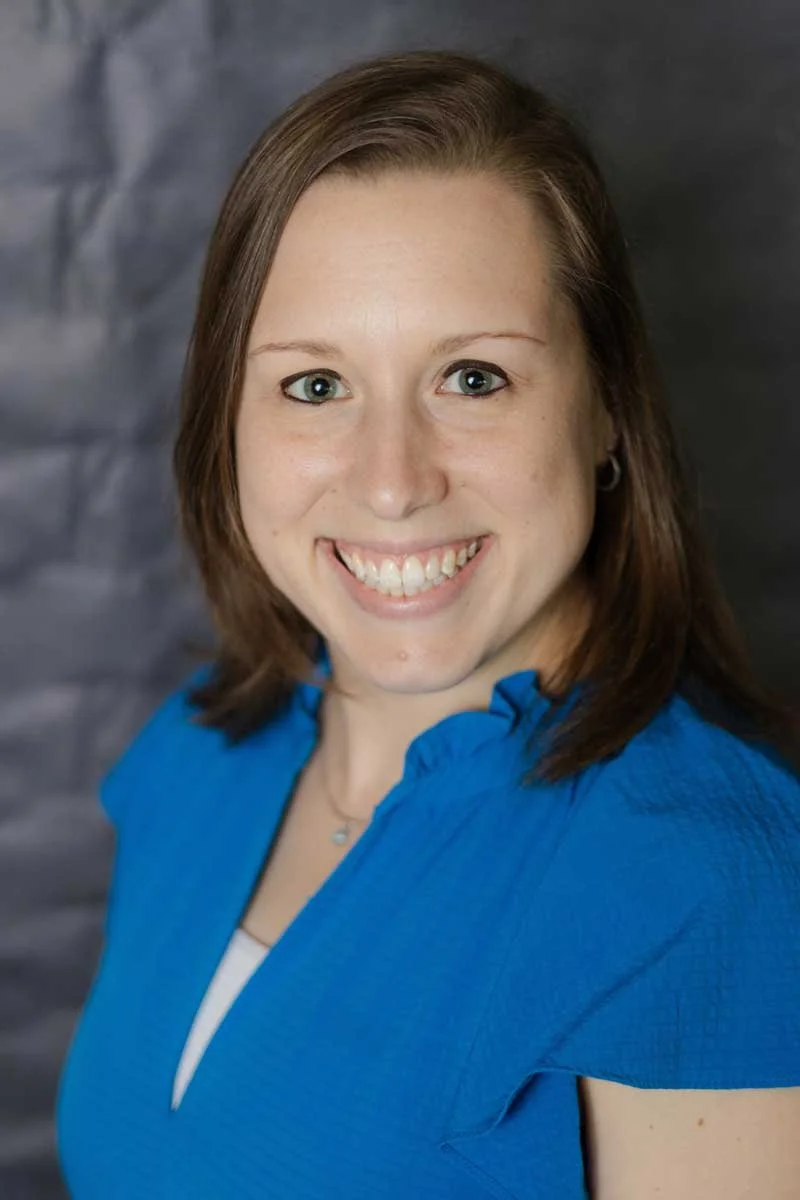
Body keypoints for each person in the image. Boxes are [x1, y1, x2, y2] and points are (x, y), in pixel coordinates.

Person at [55, 48, 800, 1199]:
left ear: (605, 405)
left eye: (472, 379)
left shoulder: (718, 882)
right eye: (314, 386)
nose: (393, 481)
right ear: (227, 421)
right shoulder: (192, 760)